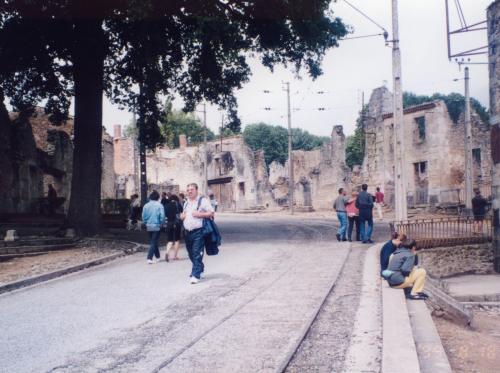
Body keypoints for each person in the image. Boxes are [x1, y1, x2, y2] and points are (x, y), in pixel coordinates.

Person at [181, 183, 214, 284]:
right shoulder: (186, 202)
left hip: (198, 232)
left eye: (192, 189)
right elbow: (184, 214)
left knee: (196, 253)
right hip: (187, 232)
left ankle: (195, 275)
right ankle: (200, 268)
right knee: (190, 253)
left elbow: (211, 213)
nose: (189, 191)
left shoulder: (202, 201)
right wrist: (182, 216)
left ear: (196, 190)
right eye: (188, 190)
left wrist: (199, 214)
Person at [142, 190, 165, 264]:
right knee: (154, 241)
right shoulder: (159, 205)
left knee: (153, 241)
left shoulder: (146, 205)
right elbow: (162, 216)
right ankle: (149, 258)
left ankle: (158, 257)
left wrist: (145, 222)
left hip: (148, 225)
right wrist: (162, 223)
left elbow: (143, 216)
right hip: (156, 224)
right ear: (158, 197)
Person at [164, 194, 183, 262]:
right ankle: (175, 256)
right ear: (176, 199)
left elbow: (165, 216)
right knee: (177, 240)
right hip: (177, 224)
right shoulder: (178, 205)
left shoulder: (166, 206)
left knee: (170, 240)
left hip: (169, 224)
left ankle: (167, 252)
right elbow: (181, 214)